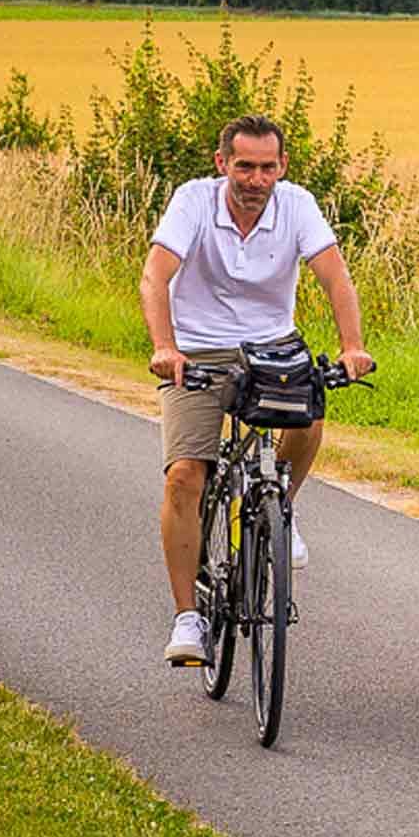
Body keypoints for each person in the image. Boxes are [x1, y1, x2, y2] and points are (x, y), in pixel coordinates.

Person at [142, 115, 375, 668]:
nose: (256, 178)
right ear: (223, 163)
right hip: (198, 349)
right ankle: (188, 620)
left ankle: (280, 509)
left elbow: (335, 277)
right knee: (185, 474)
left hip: (273, 347)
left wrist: (352, 346)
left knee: (309, 414)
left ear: (282, 167)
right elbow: (156, 277)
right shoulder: (193, 201)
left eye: (268, 167)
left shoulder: (297, 205)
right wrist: (165, 346)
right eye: (244, 166)